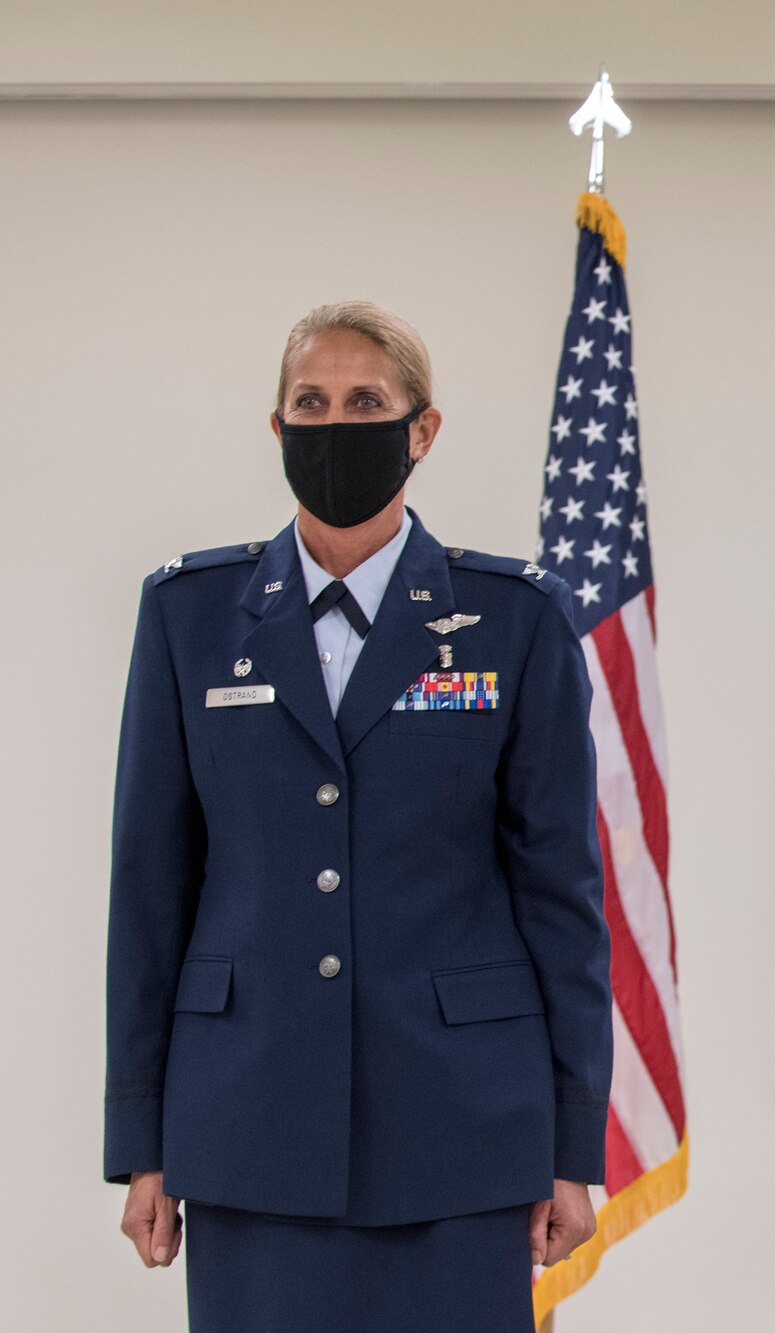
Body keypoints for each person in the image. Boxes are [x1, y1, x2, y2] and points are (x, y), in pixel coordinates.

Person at [103, 301, 612, 1333]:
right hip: (248, 1118)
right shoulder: (189, 615)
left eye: (366, 401)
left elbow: (561, 897)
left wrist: (569, 1149)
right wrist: (142, 1139)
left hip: (461, 1125)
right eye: (312, 402)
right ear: (279, 427)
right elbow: (150, 888)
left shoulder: (515, 618)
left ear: (421, 430)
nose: (337, 424)